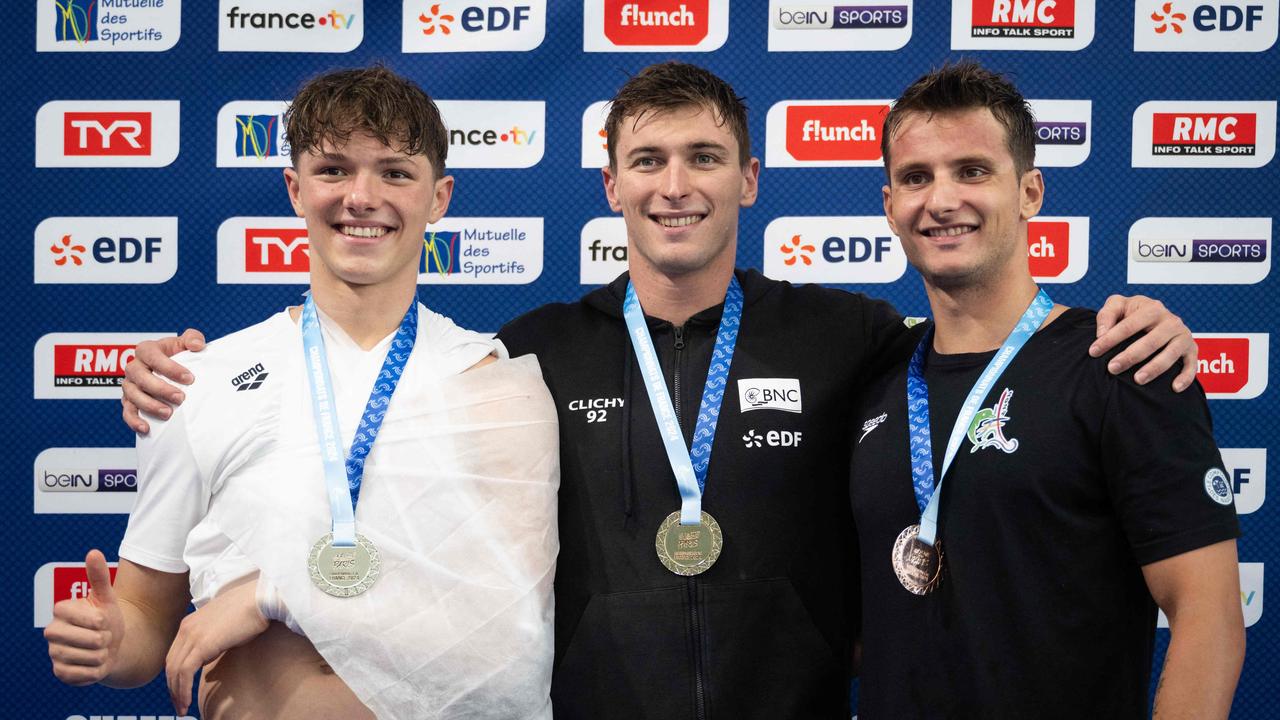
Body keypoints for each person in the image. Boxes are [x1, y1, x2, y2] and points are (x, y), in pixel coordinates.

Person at [120, 62, 1198, 719]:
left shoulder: (850, 335)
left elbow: (977, 346)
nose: (673, 185)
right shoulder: (523, 356)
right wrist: (178, 385)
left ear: (749, 180)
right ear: (609, 184)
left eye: (702, 156)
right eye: (646, 160)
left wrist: (1117, 319)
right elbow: (385, 473)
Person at [45, 66, 559, 719]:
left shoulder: (487, 380)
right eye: (334, 170)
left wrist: (278, 593)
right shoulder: (197, 382)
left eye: (396, 172)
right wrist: (113, 646)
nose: (362, 196)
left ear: (439, 198)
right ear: (295, 188)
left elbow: (511, 622)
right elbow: (147, 613)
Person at [849, 62, 1245, 719]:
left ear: (1030, 192)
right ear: (889, 204)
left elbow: (1210, 618)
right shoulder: (874, 379)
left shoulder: (1120, 363)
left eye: (972, 170)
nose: (942, 200)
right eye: (916, 177)